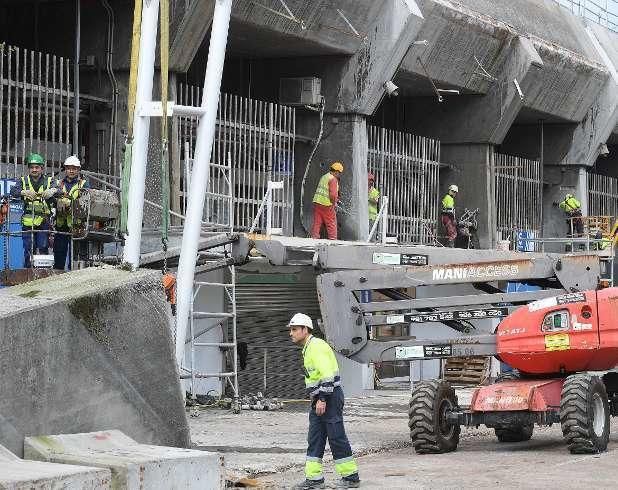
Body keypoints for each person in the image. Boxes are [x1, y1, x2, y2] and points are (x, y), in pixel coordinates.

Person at [288, 313, 360, 489]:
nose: (291, 333)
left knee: (336, 436)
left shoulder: (316, 347)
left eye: (295, 329)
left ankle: (351, 477)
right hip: (320, 398)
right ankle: (314, 479)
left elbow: (327, 376)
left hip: (329, 397)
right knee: (315, 437)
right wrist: (317, 399)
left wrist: (322, 399)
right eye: (291, 329)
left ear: (305, 330)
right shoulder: (308, 348)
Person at [10, 153, 56, 267]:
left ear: (42, 168)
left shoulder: (49, 181)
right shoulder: (23, 181)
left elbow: (59, 190)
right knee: (29, 249)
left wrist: (53, 191)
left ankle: (43, 274)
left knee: (43, 247)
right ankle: (28, 274)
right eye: (32, 167)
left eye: (37, 167)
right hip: (28, 222)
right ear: (29, 168)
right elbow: (12, 191)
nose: (34, 170)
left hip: (43, 221)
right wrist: (23, 192)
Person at [52, 155, 89, 270]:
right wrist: (57, 202)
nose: (71, 171)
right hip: (61, 225)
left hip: (77, 226)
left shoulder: (83, 184)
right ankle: (57, 280)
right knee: (59, 255)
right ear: (65, 169)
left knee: (75, 257)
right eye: (69, 168)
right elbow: (52, 199)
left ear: (78, 170)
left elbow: (86, 202)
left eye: (74, 168)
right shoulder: (58, 183)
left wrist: (71, 205)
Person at [311, 162, 343, 240]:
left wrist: (337, 200)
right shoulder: (333, 179)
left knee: (317, 222)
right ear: (336, 171)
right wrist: (334, 203)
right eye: (339, 173)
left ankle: (314, 238)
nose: (339, 175)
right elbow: (333, 195)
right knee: (331, 223)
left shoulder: (324, 177)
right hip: (327, 205)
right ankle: (333, 240)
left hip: (317, 202)